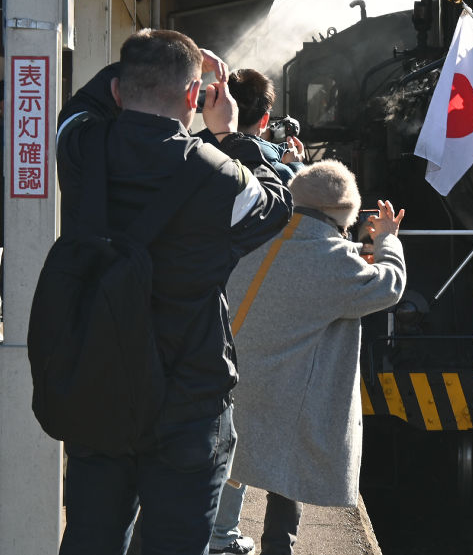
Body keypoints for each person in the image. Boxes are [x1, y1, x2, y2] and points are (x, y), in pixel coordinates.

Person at [55, 28, 293, 555]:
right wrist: (230, 134)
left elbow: (80, 106)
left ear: (118, 89)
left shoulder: (81, 145)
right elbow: (277, 203)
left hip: (99, 385)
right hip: (188, 397)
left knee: (91, 539)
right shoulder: (222, 177)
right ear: (194, 96)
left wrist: (141, 65)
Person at [225, 160, 406, 555]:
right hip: (284, 394)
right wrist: (388, 240)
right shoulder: (333, 258)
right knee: (289, 469)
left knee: (228, 468)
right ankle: (278, 547)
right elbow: (389, 285)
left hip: (234, 383)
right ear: (343, 215)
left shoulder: (259, 238)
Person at [209, 68, 306, 555]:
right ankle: (245, 538)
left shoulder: (188, 152)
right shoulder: (277, 170)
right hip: (259, 314)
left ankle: (212, 533)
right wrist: (293, 168)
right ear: (265, 118)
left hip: (201, 304)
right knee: (248, 428)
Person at [226, 68, 304, 182]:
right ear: (264, 121)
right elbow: (300, 191)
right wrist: (295, 165)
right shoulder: (280, 173)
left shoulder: (199, 148)